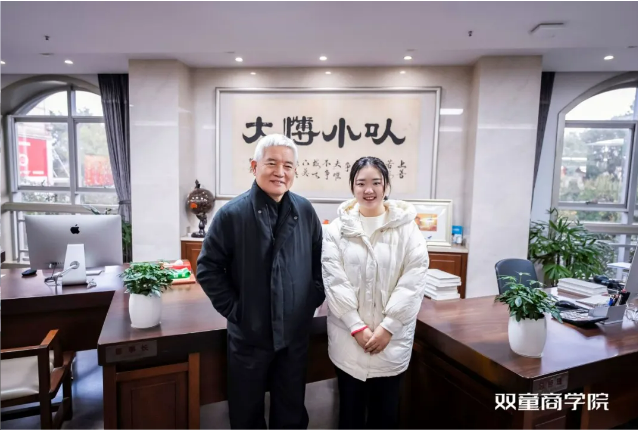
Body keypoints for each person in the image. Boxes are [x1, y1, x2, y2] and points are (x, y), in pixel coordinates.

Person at [197, 134, 325, 429]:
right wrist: (237, 310)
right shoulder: (232, 214)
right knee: (246, 413)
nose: (280, 172)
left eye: (288, 166)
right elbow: (207, 268)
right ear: (254, 166)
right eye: (272, 163)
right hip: (249, 334)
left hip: (294, 333)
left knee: (291, 411)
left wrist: (310, 301)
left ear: (295, 171)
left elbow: (321, 263)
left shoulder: (305, 211)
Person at [321, 156, 430, 429]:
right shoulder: (336, 230)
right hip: (348, 341)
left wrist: (388, 327)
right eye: (361, 183)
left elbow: (413, 281)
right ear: (352, 187)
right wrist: (356, 327)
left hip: (392, 342)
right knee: (350, 416)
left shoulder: (408, 229)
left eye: (376, 182)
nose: (368, 190)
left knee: (385, 416)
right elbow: (334, 281)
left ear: (386, 185)